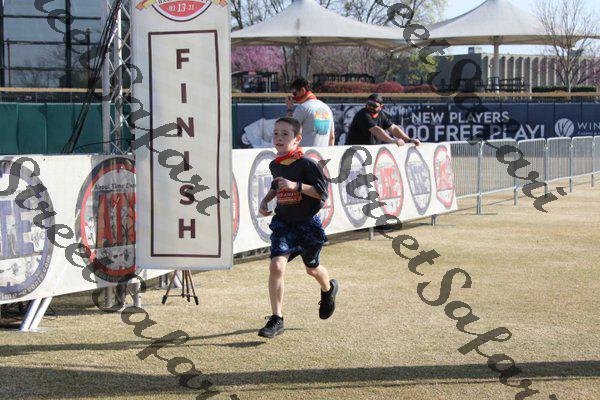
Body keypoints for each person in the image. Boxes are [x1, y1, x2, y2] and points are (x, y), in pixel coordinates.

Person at [257, 117, 339, 338]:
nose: (279, 137)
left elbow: (322, 193)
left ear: (297, 139)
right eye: (275, 133)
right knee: (276, 266)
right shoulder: (275, 164)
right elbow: (277, 185)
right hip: (284, 224)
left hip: (307, 226)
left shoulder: (307, 164)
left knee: (312, 269)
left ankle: (328, 290)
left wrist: (297, 186)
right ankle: (277, 318)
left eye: (285, 134)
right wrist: (266, 200)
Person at [345, 93, 421, 147]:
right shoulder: (363, 114)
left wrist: (409, 140)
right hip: (354, 152)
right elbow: (376, 130)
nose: (370, 107)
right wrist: (393, 141)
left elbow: (393, 128)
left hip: (367, 152)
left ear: (381, 107)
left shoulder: (381, 115)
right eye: (369, 104)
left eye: (374, 105)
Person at [285, 78, 335, 147]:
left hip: (306, 153)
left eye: (294, 93)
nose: (294, 96)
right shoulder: (327, 108)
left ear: (302, 90)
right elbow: (332, 137)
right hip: (323, 153)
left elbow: (288, 130)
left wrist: (289, 109)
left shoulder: (302, 108)